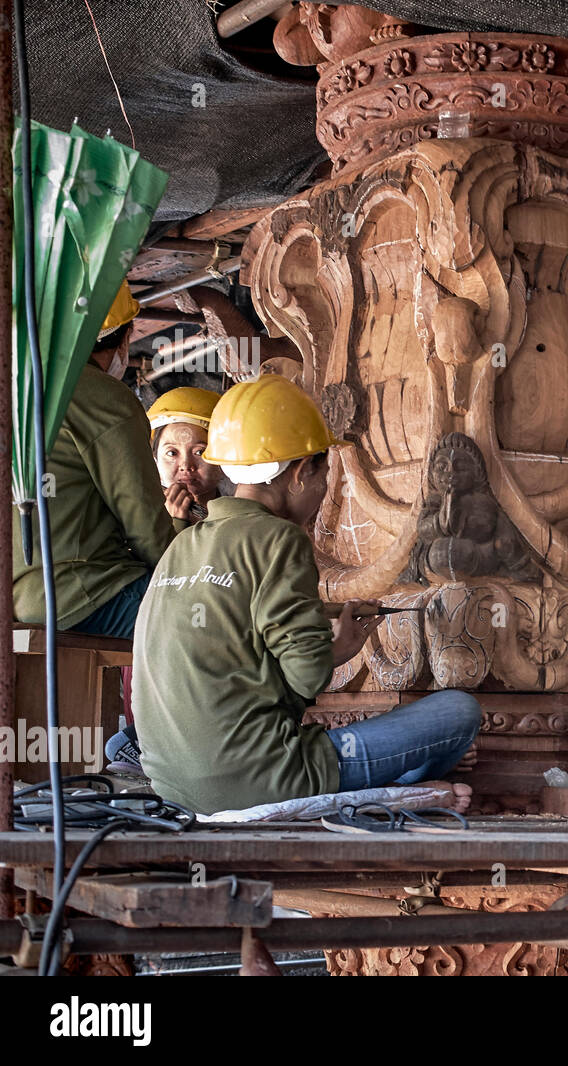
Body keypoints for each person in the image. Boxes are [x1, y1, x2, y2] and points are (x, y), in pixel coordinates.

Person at [132, 374, 481, 815]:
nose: (324, 491)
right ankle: (402, 786)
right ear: (300, 473)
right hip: (262, 781)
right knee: (457, 713)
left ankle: (402, 779)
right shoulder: (279, 539)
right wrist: (337, 649)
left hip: (173, 788)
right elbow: (304, 676)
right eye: (324, 474)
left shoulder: (184, 542)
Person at [11, 282, 175, 638]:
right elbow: (145, 525)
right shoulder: (104, 397)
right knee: (224, 622)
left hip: (21, 600)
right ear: (125, 336)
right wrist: (190, 577)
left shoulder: (19, 387)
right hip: (82, 594)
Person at [147, 387, 226, 524]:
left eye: (199, 452)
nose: (186, 466)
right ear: (155, 460)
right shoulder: (140, 524)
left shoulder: (239, 522)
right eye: (172, 453)